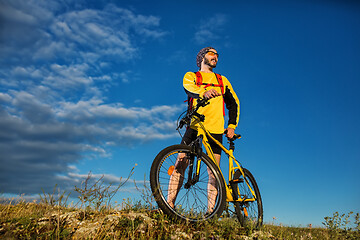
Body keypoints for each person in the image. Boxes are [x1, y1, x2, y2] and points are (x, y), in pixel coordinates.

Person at [167, 47, 240, 212]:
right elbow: (189, 88)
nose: (215, 56)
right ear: (202, 57)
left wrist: (231, 126)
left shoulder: (222, 80)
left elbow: (233, 103)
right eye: (211, 53)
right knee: (180, 163)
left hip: (215, 128)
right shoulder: (192, 76)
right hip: (195, 126)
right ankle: (169, 205)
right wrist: (204, 92)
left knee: (213, 171)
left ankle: (211, 212)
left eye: (217, 55)